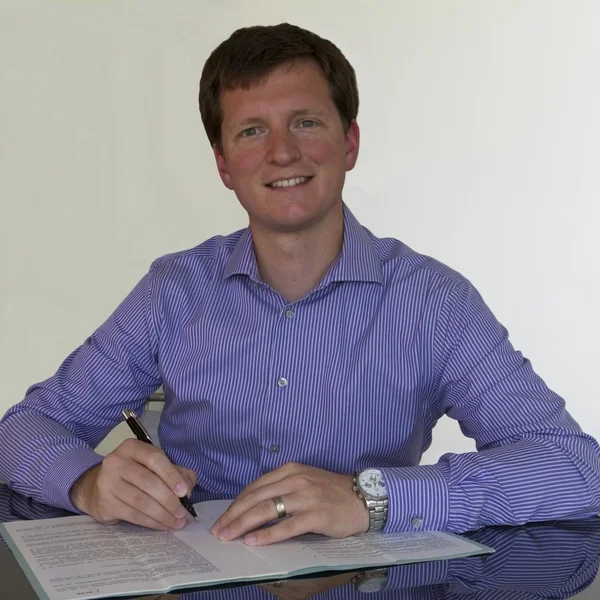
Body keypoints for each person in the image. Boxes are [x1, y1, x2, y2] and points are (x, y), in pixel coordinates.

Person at [0, 23, 599, 548]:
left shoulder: (432, 301)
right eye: (252, 132)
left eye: (306, 122)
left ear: (350, 143)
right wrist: (85, 481)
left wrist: (375, 499)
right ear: (223, 165)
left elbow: (575, 467)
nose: (282, 153)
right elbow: (22, 431)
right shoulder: (174, 290)